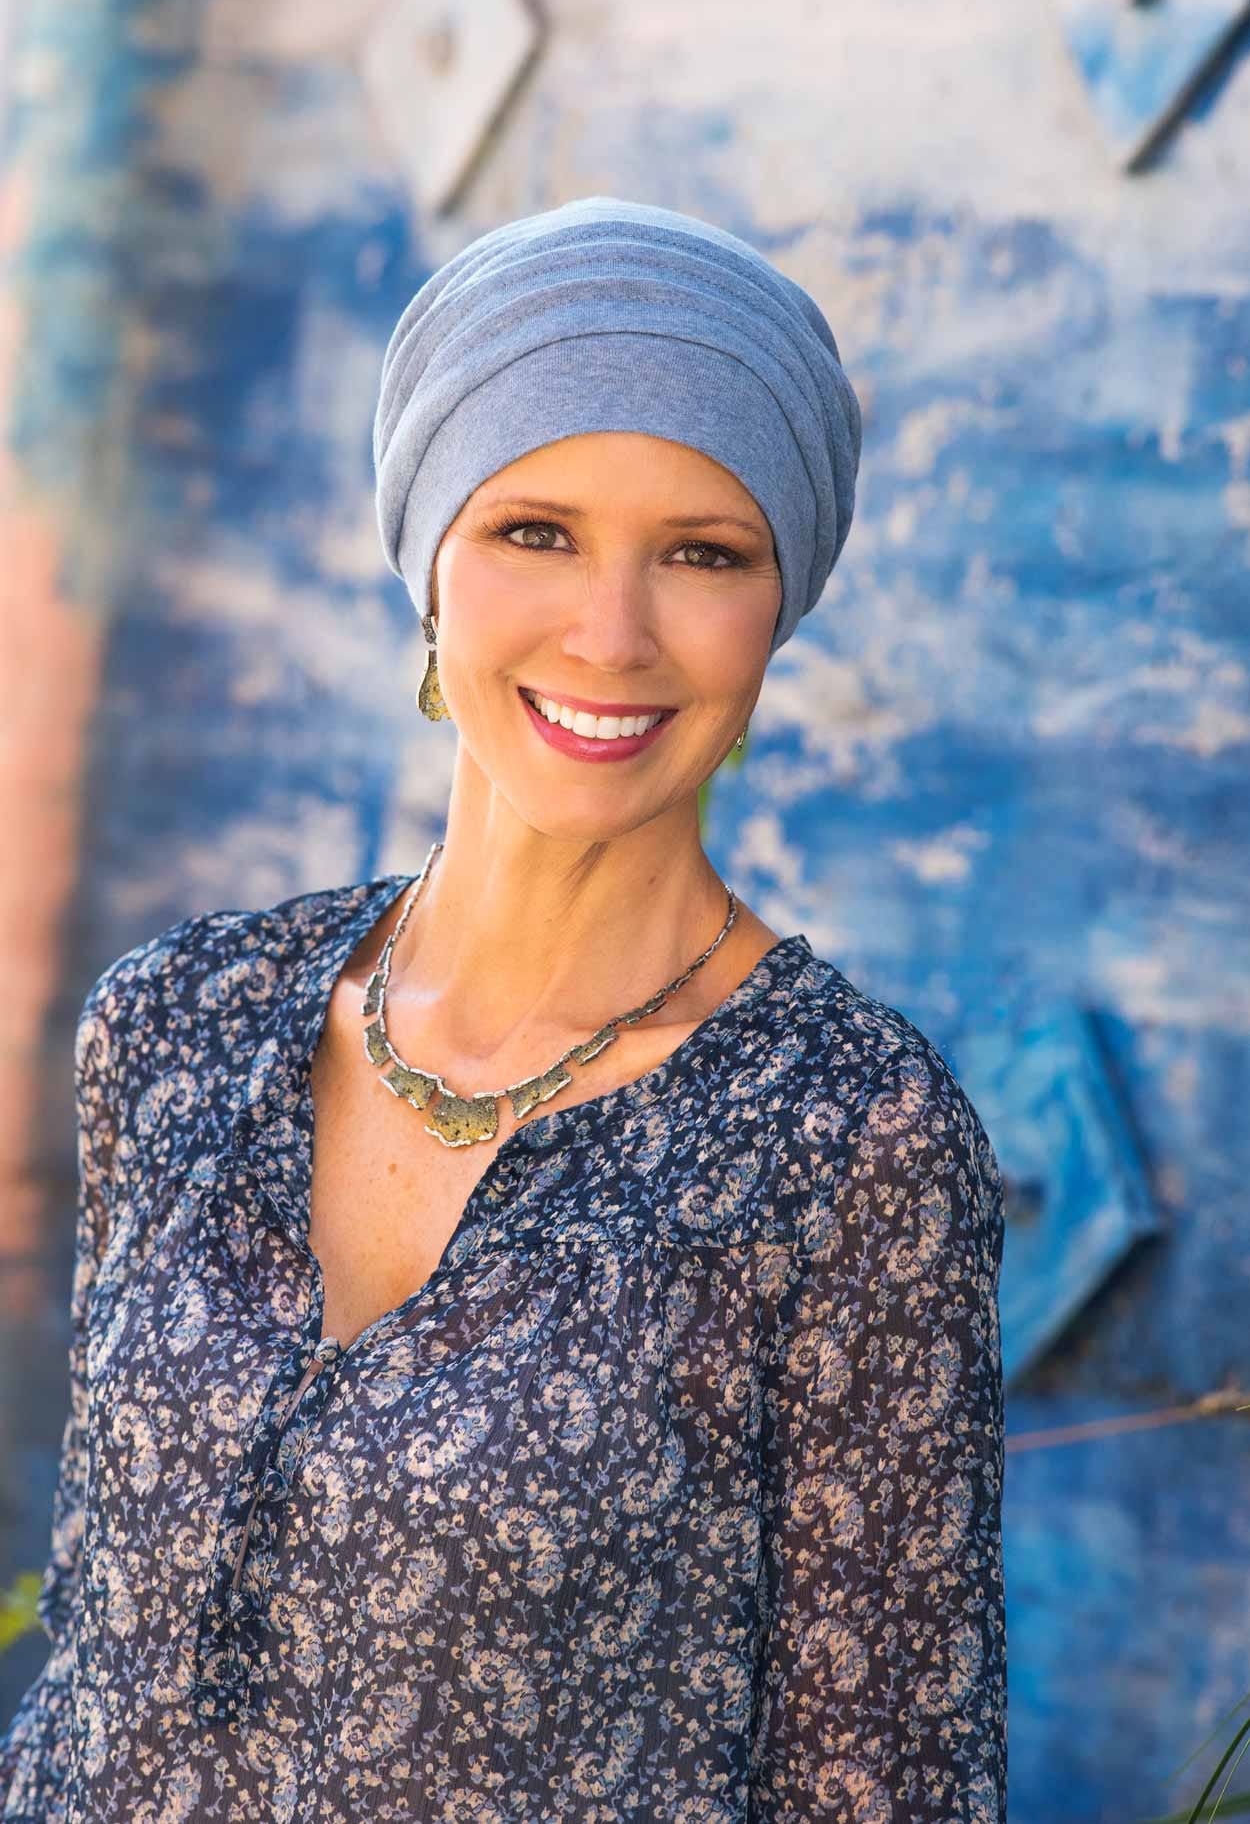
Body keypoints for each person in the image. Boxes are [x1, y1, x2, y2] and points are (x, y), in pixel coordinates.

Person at [0, 197, 1007, 1822]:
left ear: (780, 605)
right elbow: (102, 1650)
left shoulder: (850, 1138)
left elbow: (884, 1776)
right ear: (428, 563)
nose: (609, 636)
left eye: (703, 553)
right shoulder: (174, 1024)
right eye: (534, 531)